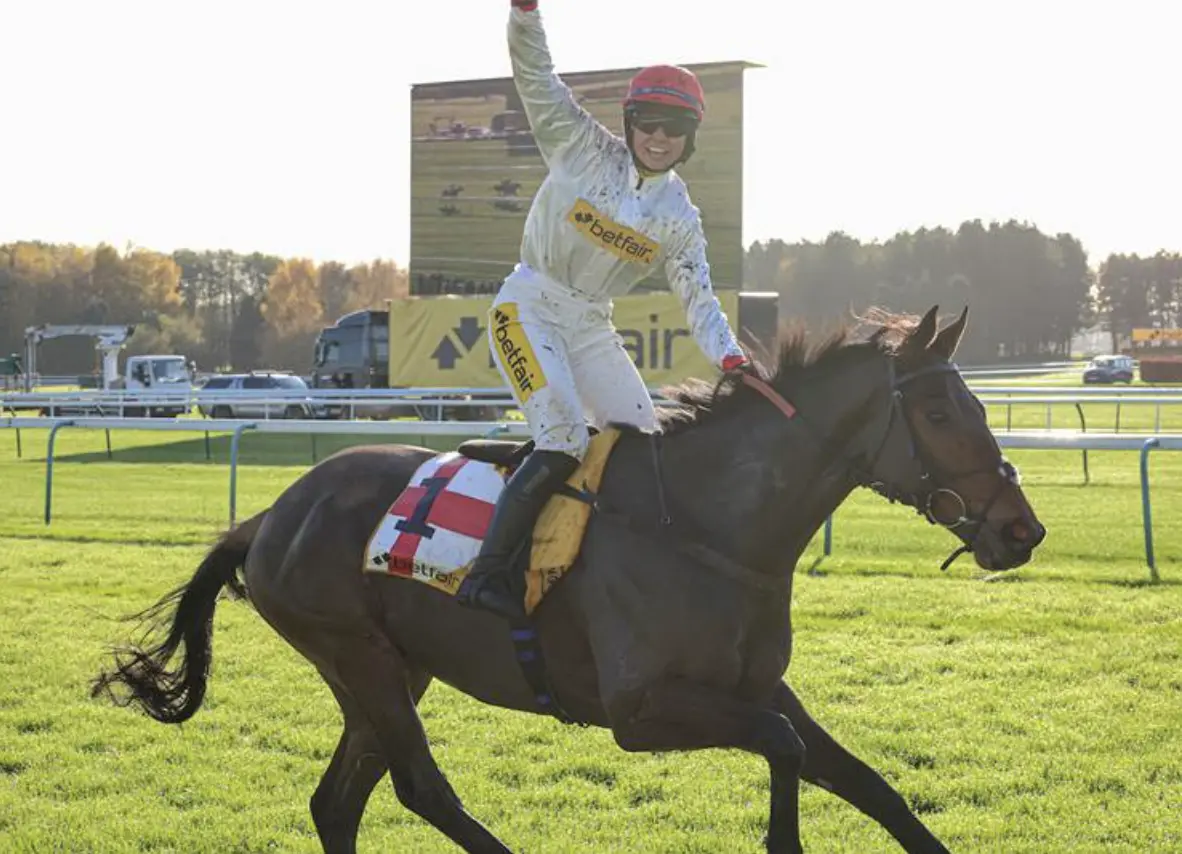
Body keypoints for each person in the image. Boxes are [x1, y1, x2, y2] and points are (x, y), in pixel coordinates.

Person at [455, 0, 750, 620]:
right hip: (528, 307)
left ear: (690, 138)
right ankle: (487, 576)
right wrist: (526, 15)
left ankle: (616, 577)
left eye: (674, 128)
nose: (659, 138)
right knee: (563, 437)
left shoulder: (678, 215)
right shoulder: (581, 145)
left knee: (645, 447)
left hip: (591, 325)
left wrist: (731, 357)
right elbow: (536, 77)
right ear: (630, 122)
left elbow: (698, 296)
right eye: (649, 123)